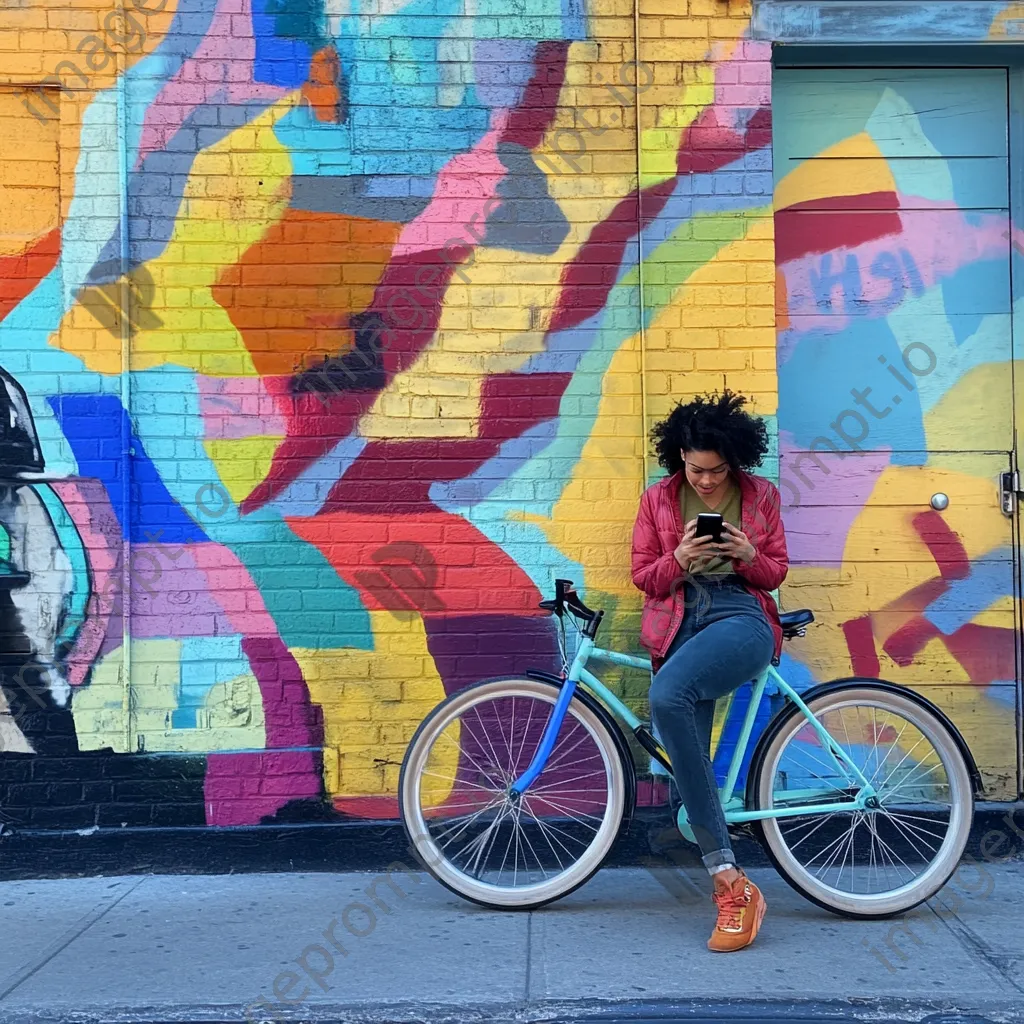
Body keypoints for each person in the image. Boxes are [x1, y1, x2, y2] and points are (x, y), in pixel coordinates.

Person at [631, 390, 788, 952]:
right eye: (694, 469)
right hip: (680, 621)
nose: (704, 480)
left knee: (667, 694)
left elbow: (775, 575)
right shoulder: (658, 500)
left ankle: (729, 883)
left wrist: (747, 554)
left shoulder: (760, 495)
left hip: (740, 615)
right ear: (679, 458)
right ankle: (731, 881)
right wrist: (677, 561)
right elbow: (644, 578)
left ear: (734, 461)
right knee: (686, 770)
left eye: (716, 470)